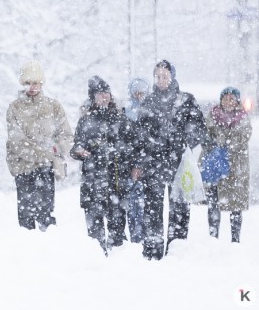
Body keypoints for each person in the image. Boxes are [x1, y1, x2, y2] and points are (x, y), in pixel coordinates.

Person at [131, 60, 206, 260]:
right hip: (153, 164)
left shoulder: (186, 100)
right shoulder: (148, 103)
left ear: (172, 77)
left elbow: (199, 129)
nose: (161, 79)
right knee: (152, 208)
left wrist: (181, 139)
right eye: (158, 76)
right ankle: (153, 252)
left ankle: (176, 251)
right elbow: (140, 136)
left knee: (180, 208)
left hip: (179, 163)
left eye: (165, 76)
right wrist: (139, 162)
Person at [6, 61, 72, 232]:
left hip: (46, 167)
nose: (32, 87)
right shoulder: (14, 108)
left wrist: (57, 149)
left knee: (46, 214)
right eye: (28, 83)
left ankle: (49, 251)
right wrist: (44, 153)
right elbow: (16, 140)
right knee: (25, 217)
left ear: (41, 83)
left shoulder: (53, 106)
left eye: (35, 82)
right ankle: (27, 254)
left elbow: (65, 134)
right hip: (23, 167)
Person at [70, 76, 133, 255]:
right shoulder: (86, 121)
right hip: (93, 183)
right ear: (93, 98)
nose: (104, 97)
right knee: (94, 234)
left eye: (106, 93)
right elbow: (76, 147)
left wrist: (121, 154)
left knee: (118, 230)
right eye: (100, 94)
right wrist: (80, 151)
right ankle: (96, 261)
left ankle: (119, 260)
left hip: (116, 183)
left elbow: (132, 144)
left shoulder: (120, 119)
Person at [203, 87, 252, 242]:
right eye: (225, 98)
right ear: (221, 100)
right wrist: (214, 147)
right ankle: (213, 238)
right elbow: (205, 137)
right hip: (216, 168)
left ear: (237, 101)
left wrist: (224, 143)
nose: (228, 101)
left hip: (236, 169)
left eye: (232, 99)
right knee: (213, 203)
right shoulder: (211, 116)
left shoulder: (243, 118)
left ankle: (235, 240)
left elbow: (243, 138)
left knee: (235, 205)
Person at [123, 78, 149, 243]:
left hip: (148, 166)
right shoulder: (126, 112)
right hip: (129, 167)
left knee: (146, 207)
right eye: (136, 91)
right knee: (133, 206)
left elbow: (149, 141)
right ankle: (136, 239)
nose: (139, 95)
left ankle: (145, 239)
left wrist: (141, 163)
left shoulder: (150, 111)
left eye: (142, 91)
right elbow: (126, 141)